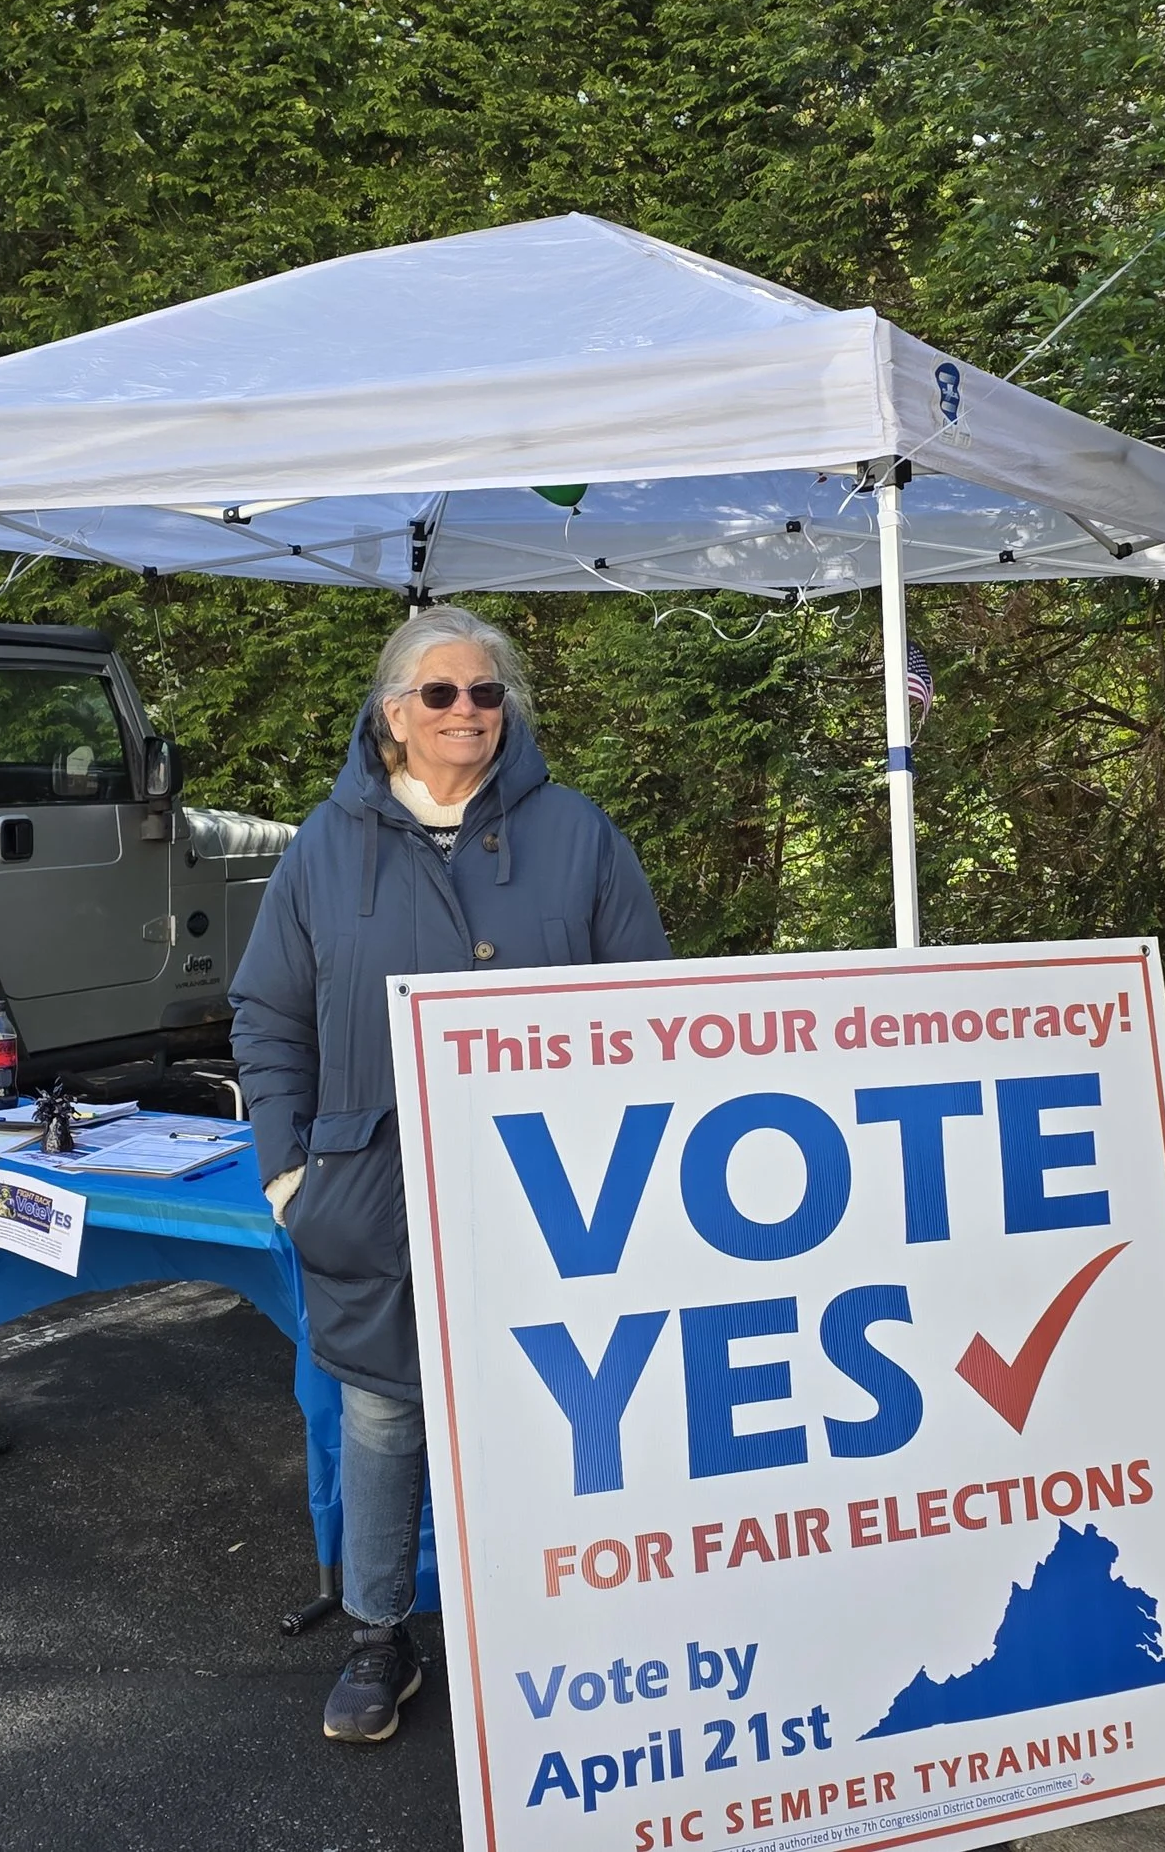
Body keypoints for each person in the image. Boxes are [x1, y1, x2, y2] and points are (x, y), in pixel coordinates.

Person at [229, 604, 671, 1743]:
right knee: (383, 1417)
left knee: (558, 1412)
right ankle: (381, 1637)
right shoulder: (325, 847)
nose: (467, 712)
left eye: (486, 694)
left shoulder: (578, 834)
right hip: (371, 1191)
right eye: (442, 694)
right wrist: (288, 1173)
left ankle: (550, 1627)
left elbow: (650, 1007)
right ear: (393, 714)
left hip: (555, 1194)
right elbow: (268, 1014)